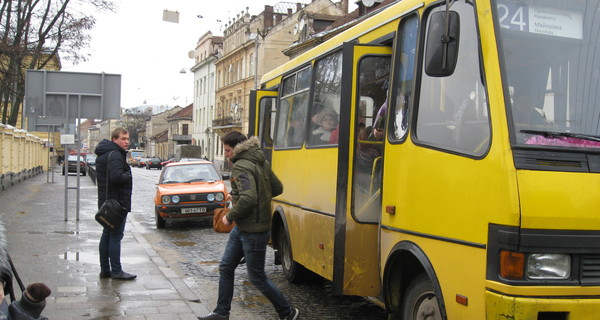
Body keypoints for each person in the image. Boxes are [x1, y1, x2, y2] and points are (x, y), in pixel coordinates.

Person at [198, 131, 299, 320]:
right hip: (244, 227)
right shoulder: (261, 161)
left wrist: (230, 216)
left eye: (227, 150)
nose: (226, 154)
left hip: (253, 230)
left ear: (237, 148)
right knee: (226, 266)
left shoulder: (240, 167)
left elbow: (249, 197)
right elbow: (277, 188)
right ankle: (221, 313)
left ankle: (288, 312)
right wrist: (241, 196)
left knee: (257, 277)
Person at [94, 127, 136, 280]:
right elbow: (116, 177)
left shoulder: (104, 154)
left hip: (106, 201)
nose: (126, 142)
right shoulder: (116, 155)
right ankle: (116, 271)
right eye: (123, 139)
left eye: (127, 139)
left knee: (107, 234)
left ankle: (105, 270)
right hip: (116, 203)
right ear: (114, 140)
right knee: (115, 236)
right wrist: (128, 173)